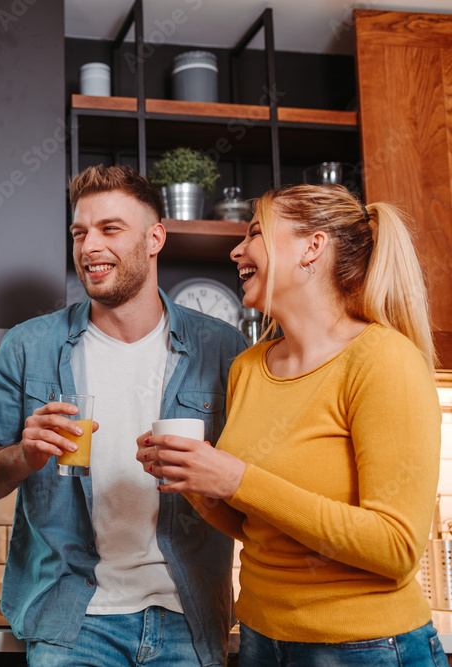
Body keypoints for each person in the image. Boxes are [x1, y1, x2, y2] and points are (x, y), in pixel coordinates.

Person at [139, 184, 444, 666]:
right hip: (262, 638)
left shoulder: (382, 360)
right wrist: (197, 483)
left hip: (364, 648)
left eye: (255, 232)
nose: (237, 250)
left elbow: (396, 546)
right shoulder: (248, 367)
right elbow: (256, 527)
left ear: (312, 247)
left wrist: (236, 478)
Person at [0, 164, 248, 666]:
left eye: (110, 229)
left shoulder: (223, 347)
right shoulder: (29, 346)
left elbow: (250, 483)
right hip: (71, 622)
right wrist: (24, 454)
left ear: (154, 238)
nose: (89, 246)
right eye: (79, 232)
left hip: (188, 617)